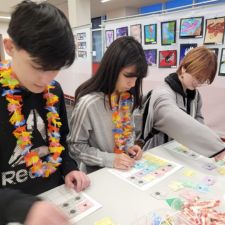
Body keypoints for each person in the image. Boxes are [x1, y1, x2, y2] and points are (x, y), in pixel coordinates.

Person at [0, 1, 90, 225]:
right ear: (10, 47)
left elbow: (61, 141)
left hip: (56, 198)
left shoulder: (54, 91)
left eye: (55, 68)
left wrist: (69, 167)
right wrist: (22, 208)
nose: (45, 79)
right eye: (38, 66)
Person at [67, 36, 148, 173]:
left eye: (137, 78)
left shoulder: (127, 98)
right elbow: (75, 147)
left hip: (125, 171)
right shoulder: (88, 104)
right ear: (112, 69)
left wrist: (129, 147)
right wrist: (109, 159)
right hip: (98, 175)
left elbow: (129, 132)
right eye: (128, 76)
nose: (133, 84)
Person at [140, 46, 225, 160]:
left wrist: (213, 141)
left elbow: (198, 120)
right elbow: (174, 119)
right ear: (184, 68)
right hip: (155, 154)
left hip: (177, 152)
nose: (198, 83)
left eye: (203, 80)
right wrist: (216, 146)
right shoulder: (162, 93)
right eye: (197, 77)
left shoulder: (195, 95)